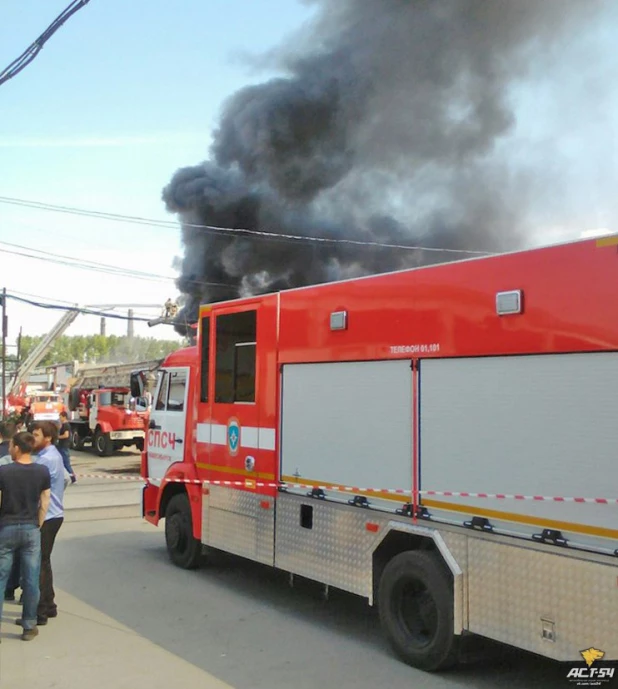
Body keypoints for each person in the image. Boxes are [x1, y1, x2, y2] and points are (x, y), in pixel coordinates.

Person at [0, 432, 51, 641]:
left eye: (11, 446)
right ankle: (29, 625)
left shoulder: (3, 471)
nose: (9, 449)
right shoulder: (42, 471)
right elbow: (45, 500)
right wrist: (37, 523)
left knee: (1, 577)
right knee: (31, 579)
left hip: (7, 528)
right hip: (31, 529)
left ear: (18, 448)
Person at [31, 421, 65, 624]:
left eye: (36, 435)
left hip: (47, 516)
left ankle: (41, 611)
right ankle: (49, 605)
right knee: (44, 561)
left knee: (39, 564)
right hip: (54, 513)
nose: (32, 438)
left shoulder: (47, 460)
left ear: (48, 437)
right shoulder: (51, 455)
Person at [56, 412, 76, 484]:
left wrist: (58, 437)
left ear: (64, 417)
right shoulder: (63, 425)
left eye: (60, 416)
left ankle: (73, 478)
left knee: (66, 463)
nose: (59, 418)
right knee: (62, 463)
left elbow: (66, 435)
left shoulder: (66, 425)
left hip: (63, 446)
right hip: (61, 446)